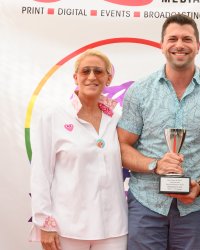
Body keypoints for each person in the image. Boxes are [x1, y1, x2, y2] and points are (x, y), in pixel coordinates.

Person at [117, 14, 200, 250]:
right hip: (146, 203)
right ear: (162, 45)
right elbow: (122, 146)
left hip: (194, 206)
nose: (179, 45)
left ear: (198, 46)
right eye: (172, 38)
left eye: (187, 39)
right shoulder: (140, 91)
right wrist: (155, 164)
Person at [30, 49, 128, 250]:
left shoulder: (118, 118)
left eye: (98, 72)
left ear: (108, 79)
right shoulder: (53, 116)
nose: (92, 77)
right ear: (76, 77)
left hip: (113, 228)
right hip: (67, 228)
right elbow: (41, 173)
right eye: (85, 71)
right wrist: (45, 224)